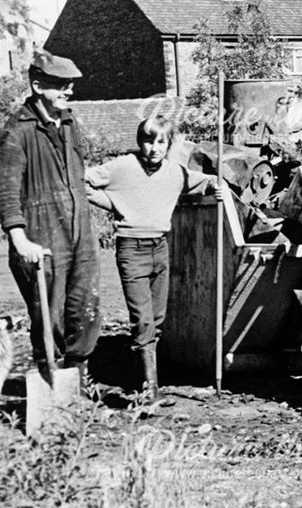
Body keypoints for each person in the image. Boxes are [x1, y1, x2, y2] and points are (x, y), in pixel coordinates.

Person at [84, 116, 219, 397]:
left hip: (160, 248)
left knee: (157, 319)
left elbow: (203, 181)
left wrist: (215, 185)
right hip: (132, 249)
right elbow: (82, 181)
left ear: (168, 144)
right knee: (142, 318)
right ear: (139, 142)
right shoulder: (123, 167)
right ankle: (149, 389)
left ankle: (146, 380)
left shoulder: (175, 173)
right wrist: (113, 204)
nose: (154, 148)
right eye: (148, 141)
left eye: (161, 141)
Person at [0, 51, 100, 382]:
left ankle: (77, 384)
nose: (69, 90)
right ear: (38, 85)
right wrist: (20, 240)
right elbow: (6, 193)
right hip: (42, 239)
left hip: (80, 235)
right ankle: (51, 380)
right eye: (61, 85)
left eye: (70, 84)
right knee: (49, 314)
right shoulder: (17, 132)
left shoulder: (70, 124)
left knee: (85, 310)